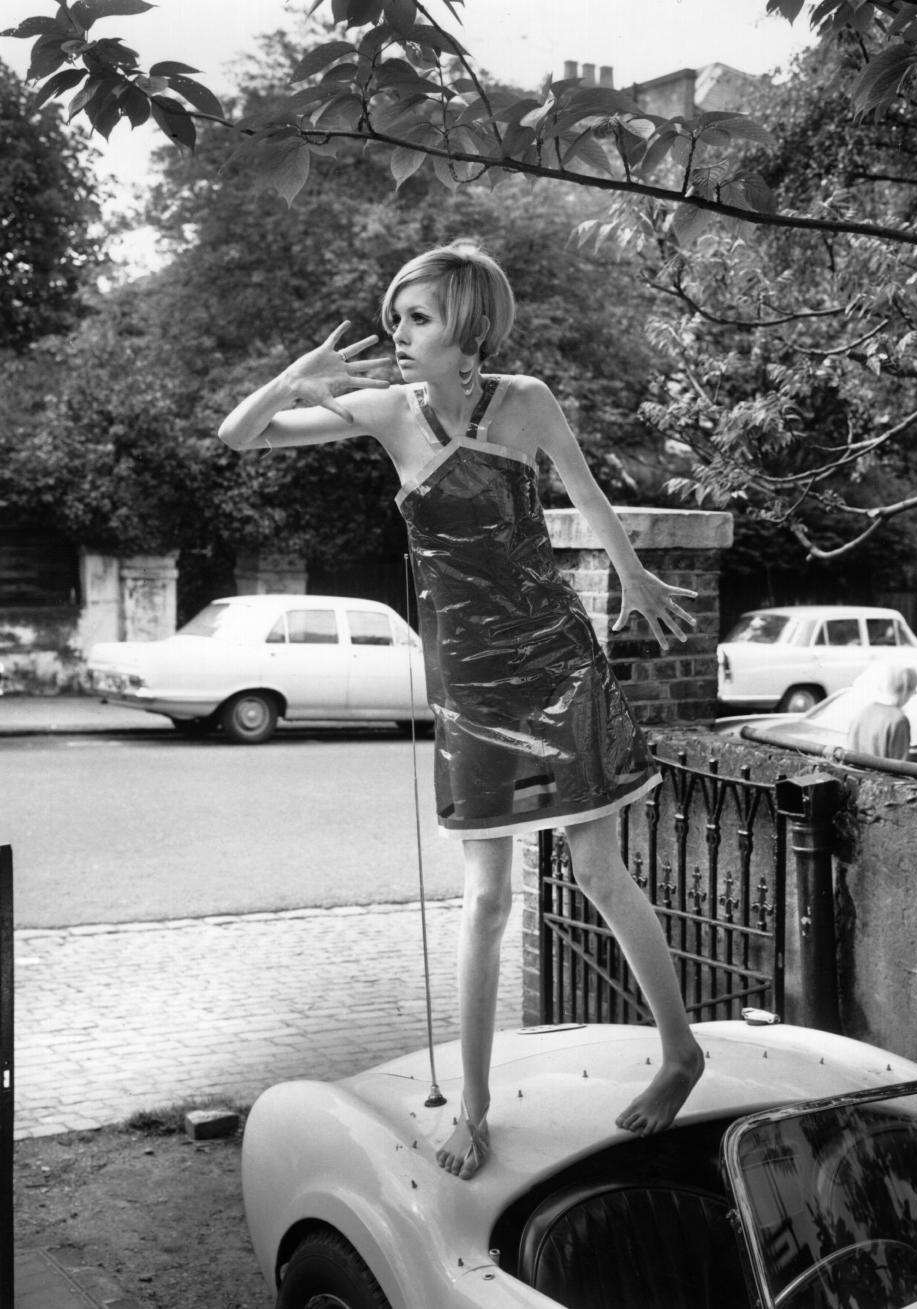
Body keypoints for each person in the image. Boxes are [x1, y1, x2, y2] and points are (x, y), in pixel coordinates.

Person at [219, 241, 704, 1180]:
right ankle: (475, 1108)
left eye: (419, 318)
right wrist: (293, 378)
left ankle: (680, 1053)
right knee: (484, 899)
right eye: (395, 316)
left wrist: (634, 575)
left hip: (556, 664)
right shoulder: (383, 414)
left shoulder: (525, 401)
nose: (399, 334)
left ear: (470, 328)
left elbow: (587, 492)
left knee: (601, 873)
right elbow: (240, 435)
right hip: (472, 687)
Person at [846, 663, 916, 760]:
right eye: (913, 690)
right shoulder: (898, 720)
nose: (914, 694)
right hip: (881, 775)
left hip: (855, 774)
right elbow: (900, 765)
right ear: (905, 689)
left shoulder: (863, 712)